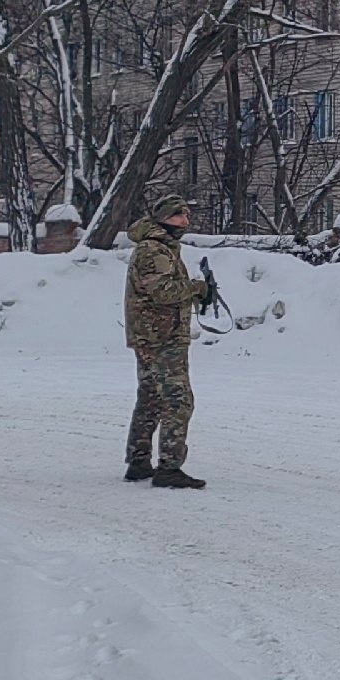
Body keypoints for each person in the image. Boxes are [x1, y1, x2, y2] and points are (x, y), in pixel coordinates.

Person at [124, 193, 212, 488]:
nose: (185, 221)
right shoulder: (154, 250)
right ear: (163, 218)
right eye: (178, 215)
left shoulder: (161, 248)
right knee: (178, 400)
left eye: (186, 215)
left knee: (150, 397)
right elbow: (162, 291)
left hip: (154, 334)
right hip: (161, 336)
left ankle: (138, 461)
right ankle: (169, 467)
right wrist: (196, 289)